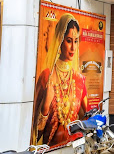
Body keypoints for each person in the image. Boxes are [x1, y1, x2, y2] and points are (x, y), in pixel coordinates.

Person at [31, 13, 88, 147]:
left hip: (74, 147)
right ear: (59, 40)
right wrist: (45, 106)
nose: (73, 47)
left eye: (76, 41)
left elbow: (85, 117)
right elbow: (35, 133)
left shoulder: (79, 80)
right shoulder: (46, 77)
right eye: (69, 41)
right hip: (51, 149)